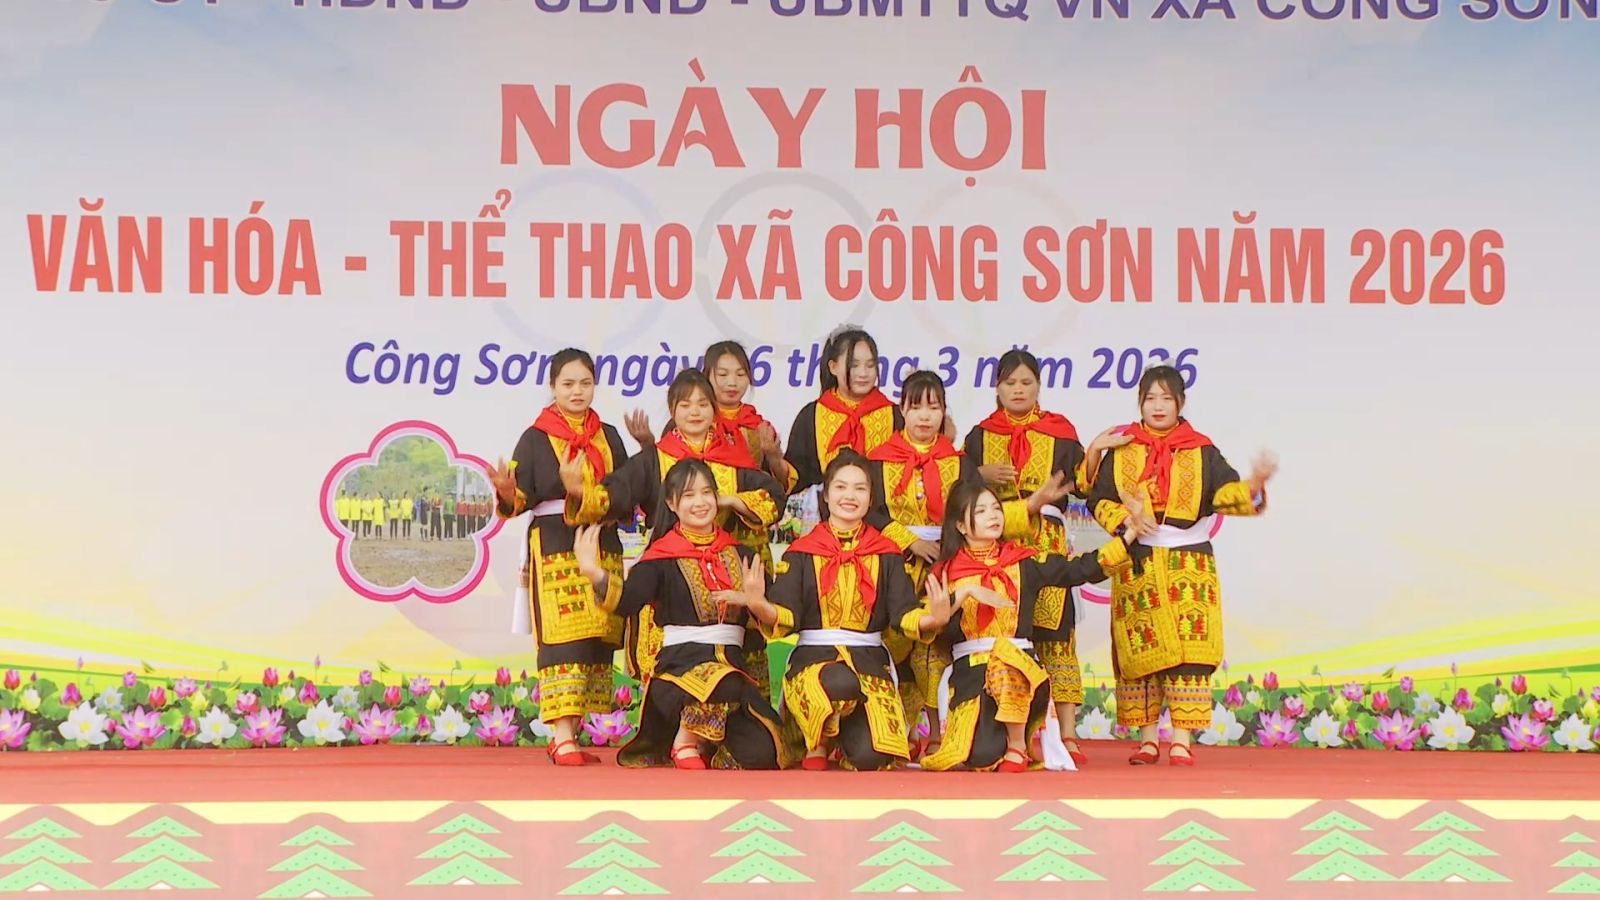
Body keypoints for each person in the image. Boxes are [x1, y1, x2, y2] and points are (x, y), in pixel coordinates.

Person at [1087, 363, 1277, 767]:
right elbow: (1098, 499)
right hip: (1138, 557)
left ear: (1181, 403)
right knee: (1139, 653)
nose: (1158, 406)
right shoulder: (1122, 449)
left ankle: (1181, 739)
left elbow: (1223, 493)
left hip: (1188, 560)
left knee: (1190, 650)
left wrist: (1254, 485)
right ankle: (1147, 739)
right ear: (1139, 402)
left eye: (1166, 398)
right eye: (1150, 398)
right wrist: (1126, 522)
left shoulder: (1201, 449)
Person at [725, 452, 954, 771]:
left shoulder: (887, 554)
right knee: (839, 681)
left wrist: (933, 618)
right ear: (827, 494)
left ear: (871, 498)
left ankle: (846, 736)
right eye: (841, 487)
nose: (850, 496)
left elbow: (903, 613)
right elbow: (785, 612)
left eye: (860, 488)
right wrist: (759, 605)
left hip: (869, 662)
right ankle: (818, 738)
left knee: (871, 759)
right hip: (814, 662)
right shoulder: (802, 552)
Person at [962, 349, 1128, 767]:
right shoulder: (979, 437)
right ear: (996, 387)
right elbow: (958, 490)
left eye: (1026, 382)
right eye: (1010, 383)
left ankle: (1067, 732)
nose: (1018, 390)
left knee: (1056, 635)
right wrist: (979, 476)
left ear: (1039, 385)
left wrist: (1094, 450)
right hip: (996, 546)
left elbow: (1084, 485)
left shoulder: (1060, 431)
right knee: (1006, 631)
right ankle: (1009, 732)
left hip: (1047, 542)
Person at [568, 368, 785, 687]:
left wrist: (732, 500)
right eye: (685, 405)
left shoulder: (731, 458)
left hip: (723, 561)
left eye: (702, 404)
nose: (694, 411)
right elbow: (619, 491)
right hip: (671, 567)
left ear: (714, 409)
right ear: (672, 410)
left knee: (742, 668)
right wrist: (581, 492)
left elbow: (774, 496)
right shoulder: (655, 458)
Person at [573, 459, 789, 770]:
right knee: (721, 681)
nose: (700, 502)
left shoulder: (742, 554)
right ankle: (684, 739)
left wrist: (754, 603)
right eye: (689, 495)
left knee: (767, 753)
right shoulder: (661, 558)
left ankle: (708, 742)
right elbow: (626, 602)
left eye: (706, 493)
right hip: (678, 675)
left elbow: (776, 614)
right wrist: (595, 574)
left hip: (733, 674)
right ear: (672, 504)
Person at [921, 481, 1139, 772]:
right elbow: (925, 623)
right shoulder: (944, 574)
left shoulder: (1024, 562)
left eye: (996, 508)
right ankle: (997, 741)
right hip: (970, 675)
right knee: (981, 757)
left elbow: (1079, 569)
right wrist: (962, 594)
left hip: (1020, 670)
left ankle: (1017, 746)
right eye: (981, 511)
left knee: (1005, 657)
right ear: (960, 525)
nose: (993, 516)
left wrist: (1129, 535)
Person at [488, 348, 631, 767]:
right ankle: (562, 736)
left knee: (596, 635)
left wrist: (587, 494)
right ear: (552, 386)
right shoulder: (535, 437)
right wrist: (507, 493)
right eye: (568, 384)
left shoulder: (608, 436)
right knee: (562, 637)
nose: (577, 391)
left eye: (585, 383)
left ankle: (574, 731)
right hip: (554, 543)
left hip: (601, 540)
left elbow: (625, 493)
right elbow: (521, 497)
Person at [865, 370, 964, 760]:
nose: (925, 416)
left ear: (944, 412)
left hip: (943, 566)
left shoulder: (958, 463)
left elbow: (967, 512)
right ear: (902, 409)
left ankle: (938, 733)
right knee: (894, 648)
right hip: (892, 567)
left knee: (934, 648)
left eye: (934, 407)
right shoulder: (878, 460)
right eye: (916, 406)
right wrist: (910, 542)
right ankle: (898, 730)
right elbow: (871, 511)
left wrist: (944, 552)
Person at [785, 327, 903, 497]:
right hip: (825, 511)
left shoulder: (895, 416)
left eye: (870, 365)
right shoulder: (811, 416)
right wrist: (773, 456)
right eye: (854, 365)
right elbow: (797, 477)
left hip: (880, 511)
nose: (863, 373)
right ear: (833, 367)